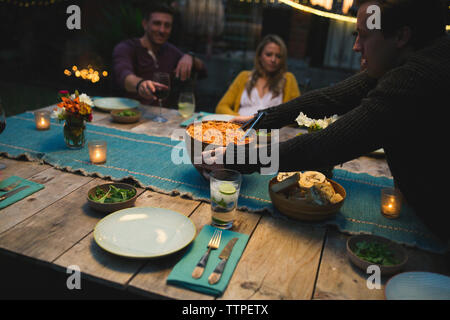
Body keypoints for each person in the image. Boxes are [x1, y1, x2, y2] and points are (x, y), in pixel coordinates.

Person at [201, 0, 450, 242]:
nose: (355, 46)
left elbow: (328, 144)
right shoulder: (406, 62)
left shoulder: (419, 77)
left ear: (401, 36)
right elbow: (330, 99)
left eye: (363, 35)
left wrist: (234, 158)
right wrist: (261, 119)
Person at [112, 4, 207, 106]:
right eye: (157, 23)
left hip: (162, 116)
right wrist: (140, 84)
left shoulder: (170, 51)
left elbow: (203, 71)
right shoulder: (126, 48)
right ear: (145, 24)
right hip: (130, 113)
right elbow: (124, 76)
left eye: (167, 25)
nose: (162, 30)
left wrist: (190, 57)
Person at [215, 34, 300, 116]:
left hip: (272, 130)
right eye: (268, 54)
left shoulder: (288, 79)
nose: (273, 60)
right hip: (240, 127)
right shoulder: (244, 77)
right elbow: (221, 107)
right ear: (259, 56)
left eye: (278, 56)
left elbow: (297, 114)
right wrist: (238, 118)